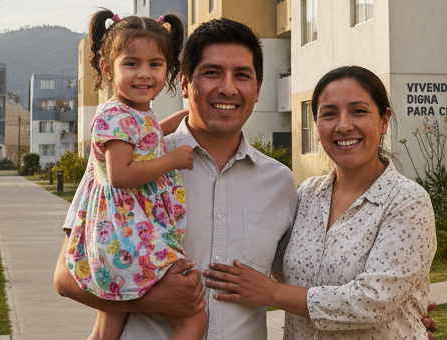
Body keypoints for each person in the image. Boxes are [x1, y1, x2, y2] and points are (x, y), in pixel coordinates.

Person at [55, 18, 298, 339]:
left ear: (258, 89)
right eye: (212, 73)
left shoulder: (280, 182)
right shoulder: (129, 156)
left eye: (242, 75)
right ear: (183, 83)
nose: (228, 87)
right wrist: (152, 299)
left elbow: (291, 278)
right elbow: (65, 278)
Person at [202, 65, 437, 338]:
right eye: (329, 114)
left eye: (358, 111)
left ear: (384, 120)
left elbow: (372, 302)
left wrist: (273, 294)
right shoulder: (308, 195)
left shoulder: (406, 200)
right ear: (316, 124)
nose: (344, 125)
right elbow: (276, 262)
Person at [60, 10, 206, 340]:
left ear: (168, 68)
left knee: (108, 327)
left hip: (120, 232)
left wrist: (184, 117)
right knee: (193, 317)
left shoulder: (135, 112)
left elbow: (148, 138)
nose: (144, 74)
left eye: (155, 64)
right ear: (107, 68)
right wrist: (173, 160)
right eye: (132, 64)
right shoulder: (116, 115)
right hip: (128, 234)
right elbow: (120, 174)